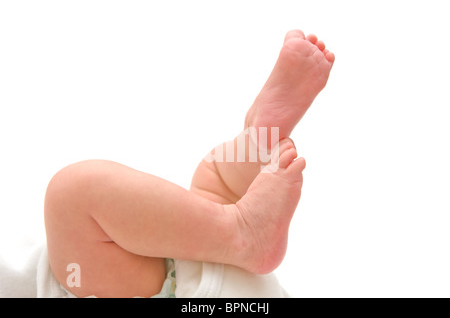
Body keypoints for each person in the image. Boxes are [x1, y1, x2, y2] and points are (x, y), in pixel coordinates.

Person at [42, 29, 334, 297]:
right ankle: (241, 231)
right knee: (74, 197)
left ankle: (258, 143)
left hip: (194, 261)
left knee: (213, 182)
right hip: (142, 285)